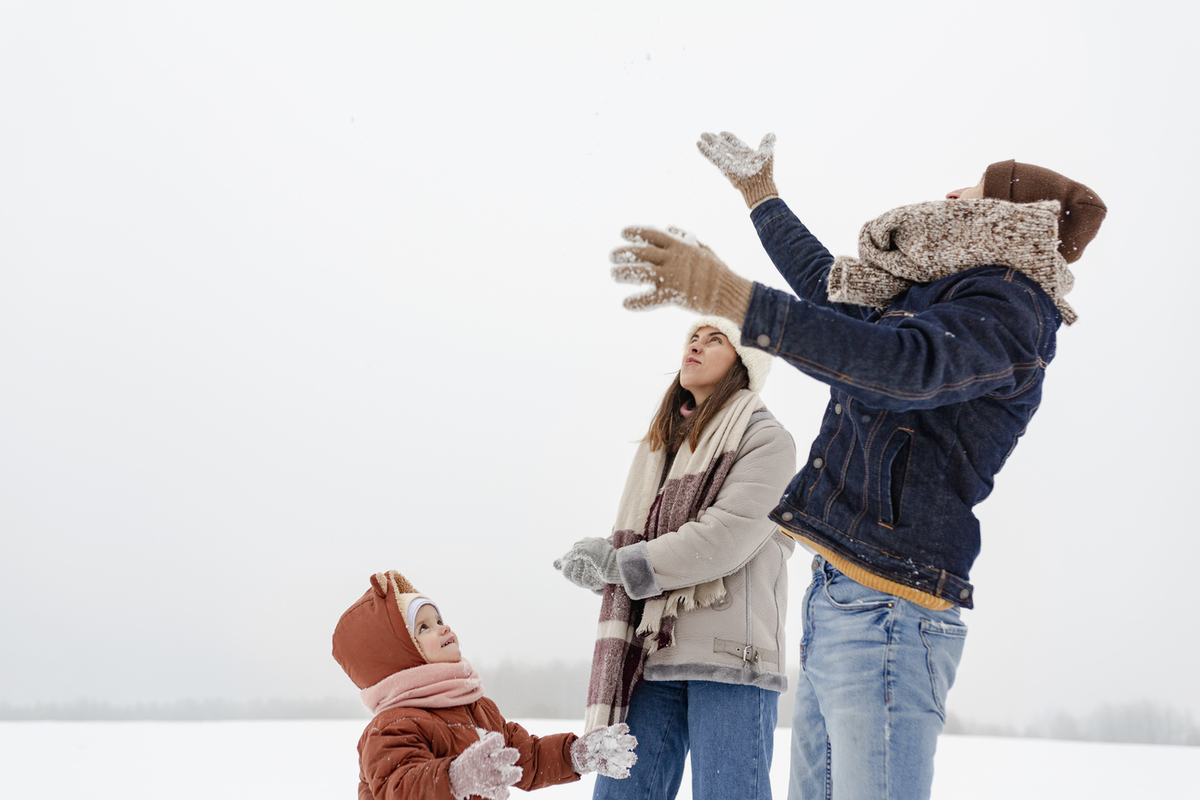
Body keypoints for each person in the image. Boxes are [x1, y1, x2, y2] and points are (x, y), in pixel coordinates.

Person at [608, 132, 1106, 800]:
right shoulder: (938, 294)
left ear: (1005, 217)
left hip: (890, 611)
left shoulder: (1008, 308)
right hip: (844, 595)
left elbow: (898, 367)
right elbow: (830, 294)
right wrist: (763, 197)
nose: (952, 193)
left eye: (977, 188)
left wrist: (739, 301)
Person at [554, 316, 797, 800]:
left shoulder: (768, 440)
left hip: (731, 662)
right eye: (692, 337)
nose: (696, 346)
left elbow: (722, 538)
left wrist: (619, 565)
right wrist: (604, 565)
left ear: (744, 362)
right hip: (654, 653)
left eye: (715, 340)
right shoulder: (665, 447)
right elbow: (644, 536)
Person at [332, 570, 638, 800]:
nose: (443, 628)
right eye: (423, 627)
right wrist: (455, 777)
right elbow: (400, 788)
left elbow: (524, 757)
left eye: (438, 620)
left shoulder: (477, 709)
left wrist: (574, 754)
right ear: (398, 655)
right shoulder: (392, 725)